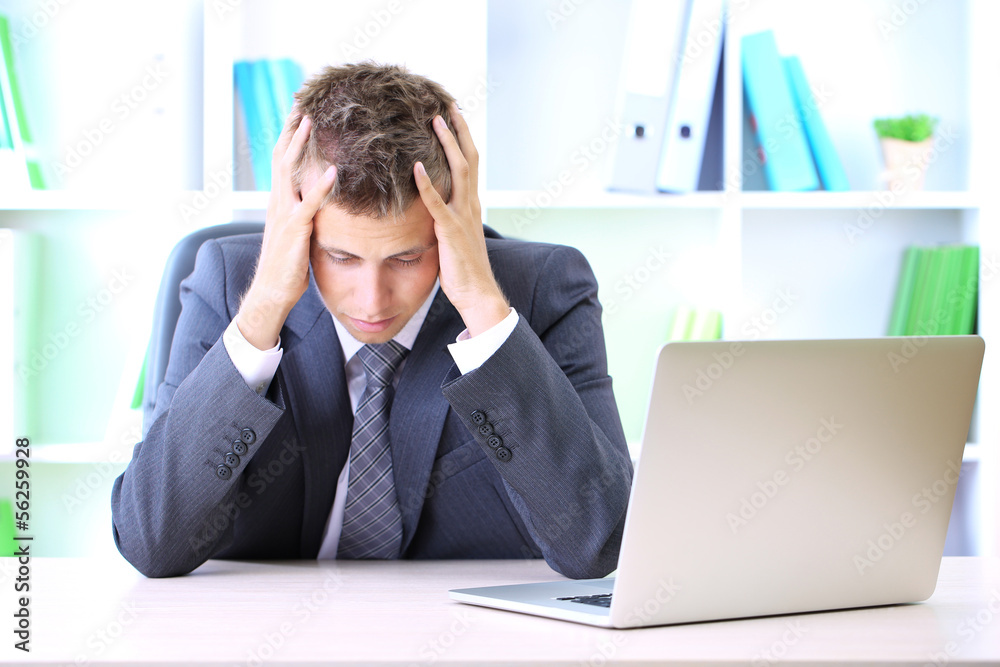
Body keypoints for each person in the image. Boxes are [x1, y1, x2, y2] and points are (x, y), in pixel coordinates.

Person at [111, 62, 632, 578]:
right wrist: (264, 306)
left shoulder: (546, 292)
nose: (373, 300)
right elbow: (150, 541)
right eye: (340, 257)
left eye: (407, 258)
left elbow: (597, 543)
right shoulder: (228, 284)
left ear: (457, 220)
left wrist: (483, 312)